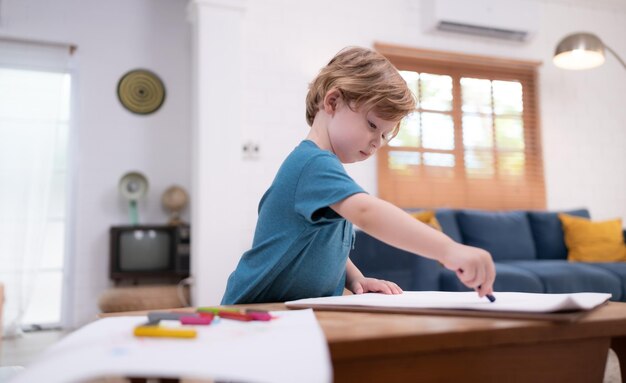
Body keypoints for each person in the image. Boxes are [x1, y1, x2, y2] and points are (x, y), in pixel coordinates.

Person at [221, 46, 495, 305]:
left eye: (384, 135)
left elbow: (323, 243)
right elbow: (366, 211)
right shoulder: (312, 163)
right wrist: (449, 250)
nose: (377, 142)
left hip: (287, 313)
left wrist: (356, 278)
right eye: (372, 125)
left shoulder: (322, 169)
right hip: (250, 311)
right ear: (333, 101)